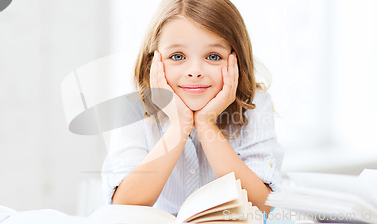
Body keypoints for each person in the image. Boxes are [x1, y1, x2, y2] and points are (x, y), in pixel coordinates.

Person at [101, 0, 284, 217]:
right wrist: (180, 125)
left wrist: (206, 124)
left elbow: (262, 204)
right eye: (177, 56)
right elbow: (124, 203)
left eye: (213, 56)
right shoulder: (135, 107)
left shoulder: (254, 105)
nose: (195, 71)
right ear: (153, 62)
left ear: (236, 60)